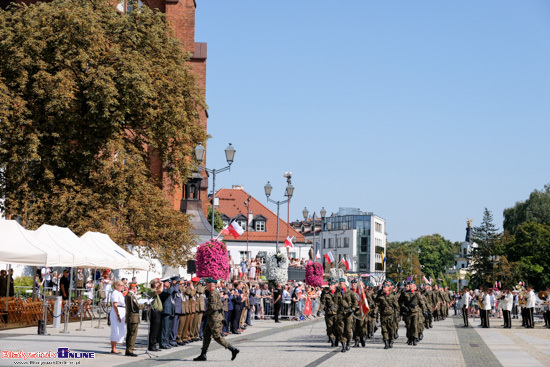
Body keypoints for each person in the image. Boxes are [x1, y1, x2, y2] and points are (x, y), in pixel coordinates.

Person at [193, 278, 240, 361]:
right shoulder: (213, 292)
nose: (206, 285)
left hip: (214, 317)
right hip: (213, 317)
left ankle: (232, 349)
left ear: (211, 284)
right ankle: (203, 354)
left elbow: (213, 307)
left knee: (217, 336)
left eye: (207, 283)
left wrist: (207, 313)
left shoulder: (213, 293)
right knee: (206, 335)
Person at [335, 278, 357, 353]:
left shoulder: (349, 292)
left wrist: (353, 309)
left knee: (348, 329)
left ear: (344, 283)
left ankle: (348, 342)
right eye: (339, 283)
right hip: (340, 312)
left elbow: (355, 301)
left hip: (348, 312)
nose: (340, 284)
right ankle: (343, 344)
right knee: (341, 329)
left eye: (341, 283)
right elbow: (335, 302)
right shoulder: (337, 292)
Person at [375, 281, 398, 349]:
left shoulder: (392, 297)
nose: (383, 288)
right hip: (383, 315)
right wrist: (374, 312)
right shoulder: (380, 297)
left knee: (391, 329)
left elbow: (396, 306)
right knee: (384, 329)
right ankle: (386, 342)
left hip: (391, 315)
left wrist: (397, 315)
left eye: (385, 287)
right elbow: (377, 306)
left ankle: (391, 340)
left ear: (389, 288)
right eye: (383, 287)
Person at [125, 282, 144, 357]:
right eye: (136, 287)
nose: (136, 289)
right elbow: (138, 307)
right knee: (133, 334)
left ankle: (128, 349)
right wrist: (144, 304)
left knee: (129, 334)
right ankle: (130, 350)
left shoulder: (128, 295)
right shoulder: (131, 296)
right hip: (133, 317)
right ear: (134, 288)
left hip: (130, 316)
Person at [110, 280, 126, 354]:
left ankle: (115, 346)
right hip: (117, 312)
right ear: (117, 286)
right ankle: (113, 348)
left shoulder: (120, 293)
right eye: (121, 285)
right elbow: (115, 305)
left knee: (120, 329)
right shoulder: (115, 293)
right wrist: (118, 315)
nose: (123, 287)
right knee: (115, 329)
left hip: (122, 311)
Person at [147, 278, 164, 351]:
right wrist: (162, 284)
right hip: (154, 311)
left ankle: (153, 344)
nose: (158, 284)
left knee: (156, 329)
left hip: (157, 312)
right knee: (154, 329)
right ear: (154, 284)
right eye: (157, 283)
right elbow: (160, 291)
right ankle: (152, 345)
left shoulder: (154, 291)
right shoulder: (151, 291)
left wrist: (160, 284)